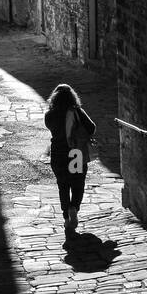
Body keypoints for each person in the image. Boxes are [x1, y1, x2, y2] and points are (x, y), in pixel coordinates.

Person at [44, 83, 96, 237]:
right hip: (76, 153)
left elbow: (49, 127)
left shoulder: (50, 114)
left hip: (58, 154)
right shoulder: (77, 111)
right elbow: (92, 127)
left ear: (55, 98)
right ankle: (74, 207)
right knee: (78, 184)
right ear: (72, 96)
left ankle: (66, 218)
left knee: (63, 186)